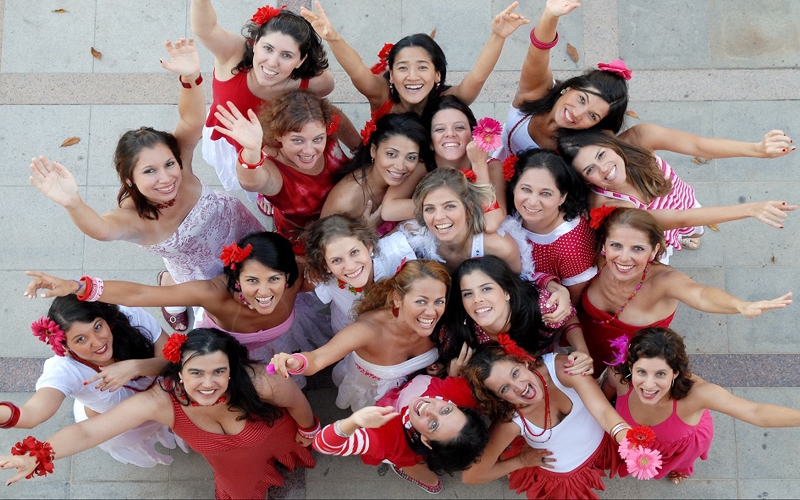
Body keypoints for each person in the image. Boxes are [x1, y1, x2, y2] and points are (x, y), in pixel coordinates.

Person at [28, 39, 264, 331]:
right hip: (202, 274)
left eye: (168, 165)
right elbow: (101, 230)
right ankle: (171, 289)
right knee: (204, 294)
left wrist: (190, 78)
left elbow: (191, 120)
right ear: (130, 179)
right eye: (150, 171)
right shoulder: (132, 217)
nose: (166, 178)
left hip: (240, 227)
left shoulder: (182, 165)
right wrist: (73, 203)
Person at [0, 329, 317, 498]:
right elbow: (88, 431)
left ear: (232, 371)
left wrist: (308, 432)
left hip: (278, 434)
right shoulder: (160, 401)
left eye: (218, 372)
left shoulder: (263, 381)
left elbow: (298, 404)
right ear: (179, 372)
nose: (208, 385)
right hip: (232, 468)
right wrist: (39, 455)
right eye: (196, 373)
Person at [24, 232, 331, 370]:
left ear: (288, 276)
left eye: (274, 280)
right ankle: (171, 282)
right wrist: (77, 286)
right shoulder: (212, 292)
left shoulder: (298, 280)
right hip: (223, 345)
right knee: (173, 292)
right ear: (235, 277)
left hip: (274, 343)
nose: (264, 293)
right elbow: (140, 295)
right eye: (252, 281)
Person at [580, 207, 792, 375]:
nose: (624, 257)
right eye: (616, 245)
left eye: (637, 248)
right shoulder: (598, 261)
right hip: (583, 347)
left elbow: (700, 294)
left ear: (654, 250)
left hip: (635, 367)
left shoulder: (664, 280)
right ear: (605, 245)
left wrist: (740, 305)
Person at [558, 128, 796, 258]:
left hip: (684, 202)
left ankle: (689, 236)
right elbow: (678, 219)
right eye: (590, 169)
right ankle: (679, 241)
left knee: (696, 231)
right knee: (677, 237)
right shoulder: (608, 203)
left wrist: (756, 149)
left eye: (601, 155)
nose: (605, 169)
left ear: (609, 144)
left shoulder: (640, 139)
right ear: (584, 179)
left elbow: (698, 145)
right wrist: (750, 209)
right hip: (656, 228)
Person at [2, 295, 181, 467]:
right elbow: (32, 414)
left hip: (168, 400)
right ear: (64, 345)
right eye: (80, 339)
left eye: (97, 327)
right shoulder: (63, 369)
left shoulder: (129, 317)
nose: (97, 342)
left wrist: (135, 367)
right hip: (121, 425)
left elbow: (173, 360)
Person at [609, 327, 800, 484]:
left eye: (660, 374)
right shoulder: (617, 376)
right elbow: (604, 398)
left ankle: (679, 469)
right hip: (635, 441)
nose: (648, 385)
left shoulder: (699, 394)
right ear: (631, 367)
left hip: (680, 445)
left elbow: (756, 412)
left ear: (675, 373)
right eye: (641, 372)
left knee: (680, 462)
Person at [192, 1, 336, 193]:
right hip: (230, 139)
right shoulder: (233, 53)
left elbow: (323, 96)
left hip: (272, 147)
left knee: (266, 184)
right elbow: (205, 30)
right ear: (256, 41)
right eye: (267, 48)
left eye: (286, 55)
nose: (272, 62)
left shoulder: (315, 81)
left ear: (301, 60)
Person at [269, 260, 449, 412]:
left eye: (439, 301)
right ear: (397, 299)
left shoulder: (445, 322)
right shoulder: (368, 330)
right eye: (421, 301)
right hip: (370, 393)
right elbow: (318, 358)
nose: (431, 312)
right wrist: (296, 362)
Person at [301, 1, 529, 119]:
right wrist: (333, 38)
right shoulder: (381, 96)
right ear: (391, 73)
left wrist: (498, 36)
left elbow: (477, 77)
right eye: (402, 67)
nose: (412, 76)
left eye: (422, 67)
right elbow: (358, 71)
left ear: (437, 74)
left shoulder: (449, 100)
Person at [461, 344, 630, 499]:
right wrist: (521, 461)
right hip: (566, 479)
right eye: (504, 388)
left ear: (523, 362)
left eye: (515, 373)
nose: (520, 387)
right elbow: (472, 476)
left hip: (604, 443)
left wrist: (630, 441)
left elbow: (602, 411)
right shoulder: (510, 422)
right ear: (498, 398)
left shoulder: (560, 368)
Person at [213, 90, 349, 254]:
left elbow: (360, 147)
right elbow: (251, 182)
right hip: (312, 236)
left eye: (318, 139)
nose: (309, 150)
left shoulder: (326, 127)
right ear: (278, 136)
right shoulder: (276, 170)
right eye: (297, 140)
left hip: (349, 211)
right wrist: (252, 151)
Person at [494, 0, 629, 158]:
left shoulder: (580, 150)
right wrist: (550, 16)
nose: (578, 113)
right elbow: (537, 54)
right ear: (570, 88)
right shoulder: (536, 93)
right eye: (582, 99)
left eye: (592, 116)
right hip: (492, 162)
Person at [314, 374, 488, 494]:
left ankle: (431, 484)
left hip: (403, 448)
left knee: (410, 465)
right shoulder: (459, 391)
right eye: (446, 410)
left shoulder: (386, 436)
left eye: (433, 424)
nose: (429, 409)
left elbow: (322, 444)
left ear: (426, 441)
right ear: (456, 405)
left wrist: (353, 422)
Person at [439, 256, 589, 374]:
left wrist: (581, 349)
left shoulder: (541, 306)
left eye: (486, 289)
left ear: (507, 292)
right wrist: (453, 373)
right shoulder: (457, 332)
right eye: (468, 294)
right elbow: (448, 367)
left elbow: (567, 316)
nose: (477, 299)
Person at [500, 148, 595, 303]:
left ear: (562, 197)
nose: (532, 201)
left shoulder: (571, 246)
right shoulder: (509, 214)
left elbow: (575, 302)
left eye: (545, 193)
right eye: (526, 189)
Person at [304, 214, 417, 333]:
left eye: (354, 252)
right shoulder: (324, 279)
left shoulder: (396, 253)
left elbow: (419, 226)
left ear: (369, 246)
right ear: (325, 266)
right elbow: (295, 286)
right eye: (336, 260)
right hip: (350, 337)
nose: (350, 266)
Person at [321, 113, 430, 233]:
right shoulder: (345, 201)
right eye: (391, 154)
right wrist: (362, 232)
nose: (400, 166)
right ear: (373, 150)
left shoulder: (418, 168)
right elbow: (323, 245)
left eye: (410, 157)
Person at [403, 167, 521, 274]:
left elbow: (518, 291)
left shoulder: (500, 247)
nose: (438, 217)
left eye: (450, 206)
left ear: (469, 208)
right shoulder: (412, 233)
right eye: (429, 209)